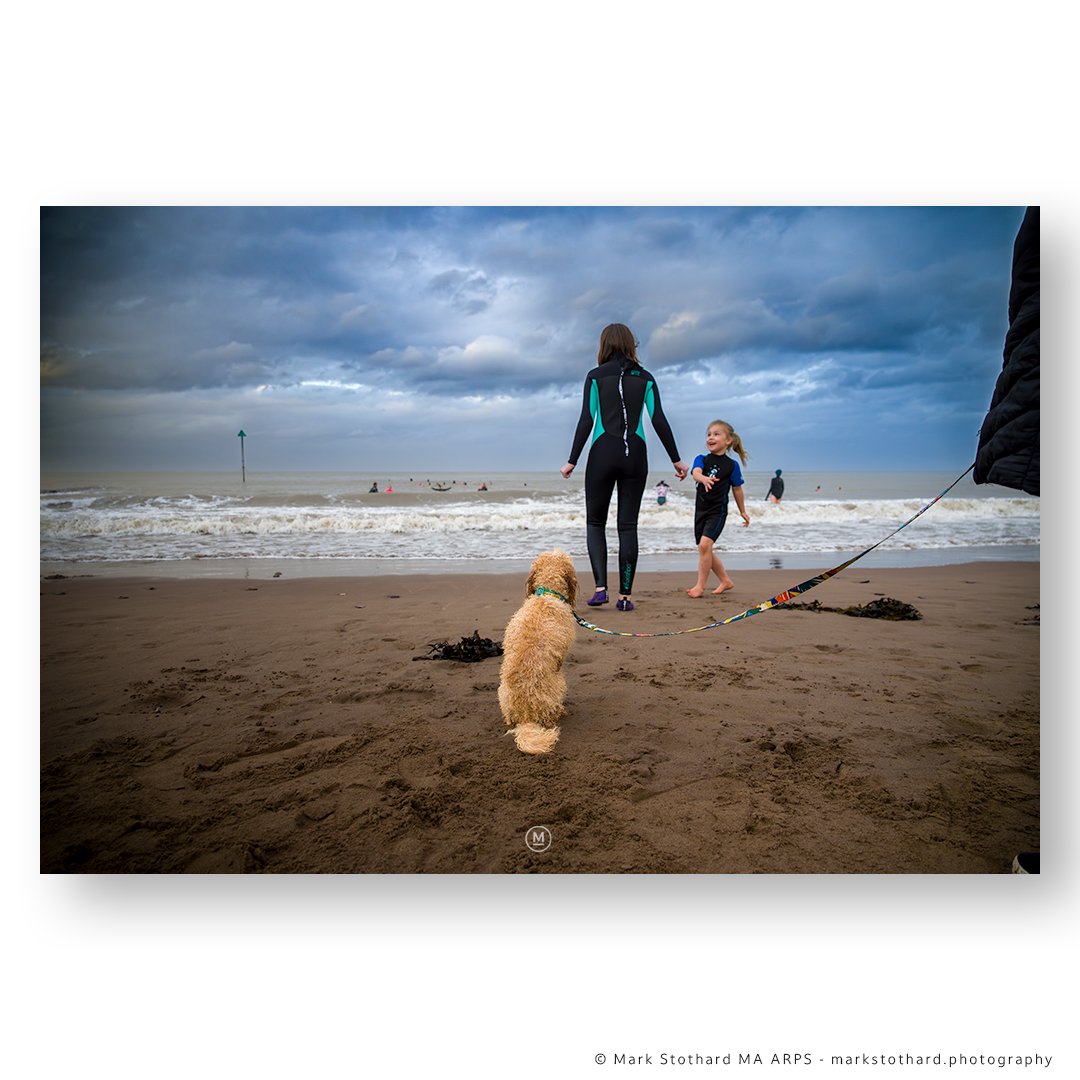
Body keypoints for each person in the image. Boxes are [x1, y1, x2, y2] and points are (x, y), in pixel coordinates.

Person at [562, 323, 688, 611]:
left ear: (603, 344)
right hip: (635, 455)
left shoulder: (595, 376)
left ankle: (601, 590)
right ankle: (626, 597)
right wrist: (676, 459)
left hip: (602, 453)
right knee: (627, 526)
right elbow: (658, 419)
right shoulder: (646, 377)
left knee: (596, 523)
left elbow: (586, 420)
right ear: (632, 345)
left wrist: (572, 460)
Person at [686, 420, 750, 598]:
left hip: (717, 511)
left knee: (705, 545)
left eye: (716, 434)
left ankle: (700, 586)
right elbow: (696, 472)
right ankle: (725, 580)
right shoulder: (702, 459)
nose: (711, 437)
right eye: (708, 434)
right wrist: (703, 478)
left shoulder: (732, 466)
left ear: (728, 440)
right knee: (704, 548)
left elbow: (737, 489)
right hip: (701, 510)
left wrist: (742, 511)